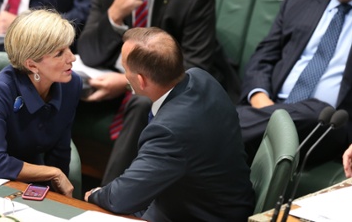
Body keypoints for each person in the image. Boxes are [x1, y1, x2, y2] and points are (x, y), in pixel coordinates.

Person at [77, 0, 239, 185]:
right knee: (64, 82)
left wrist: (125, 83)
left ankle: (109, 199)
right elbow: (89, 55)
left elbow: (196, 64)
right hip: (121, 75)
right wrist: (114, 16)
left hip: (177, 86)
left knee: (143, 102)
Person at [84, 27, 255, 221]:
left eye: (125, 69)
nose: (125, 75)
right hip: (216, 200)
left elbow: (121, 199)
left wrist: (96, 194)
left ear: (141, 81)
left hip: (200, 215)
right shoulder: (201, 77)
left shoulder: (169, 130)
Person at [237, 0, 352, 165]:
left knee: (316, 110)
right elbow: (262, 58)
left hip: (326, 126)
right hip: (269, 108)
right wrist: (262, 101)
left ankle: (213, 125)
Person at [0, 9, 82, 197]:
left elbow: (60, 149)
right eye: (59, 53)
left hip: (27, 180)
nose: (72, 58)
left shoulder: (71, 84)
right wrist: (53, 173)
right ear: (32, 65)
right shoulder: (2, 88)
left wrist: (60, 198)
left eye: (69, 48)